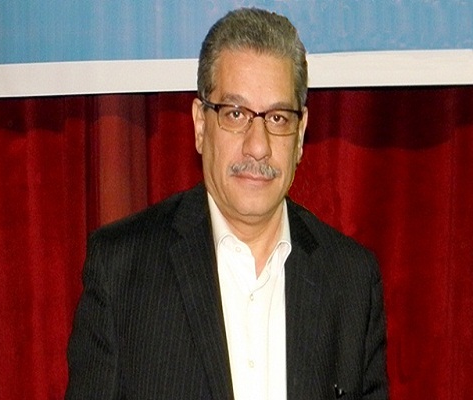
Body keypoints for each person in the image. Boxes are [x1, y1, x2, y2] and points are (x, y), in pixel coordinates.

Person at [66, 7, 388, 400]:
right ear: (201, 125)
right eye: (236, 114)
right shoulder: (122, 272)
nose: (258, 146)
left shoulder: (351, 281)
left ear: (301, 134)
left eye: (278, 118)